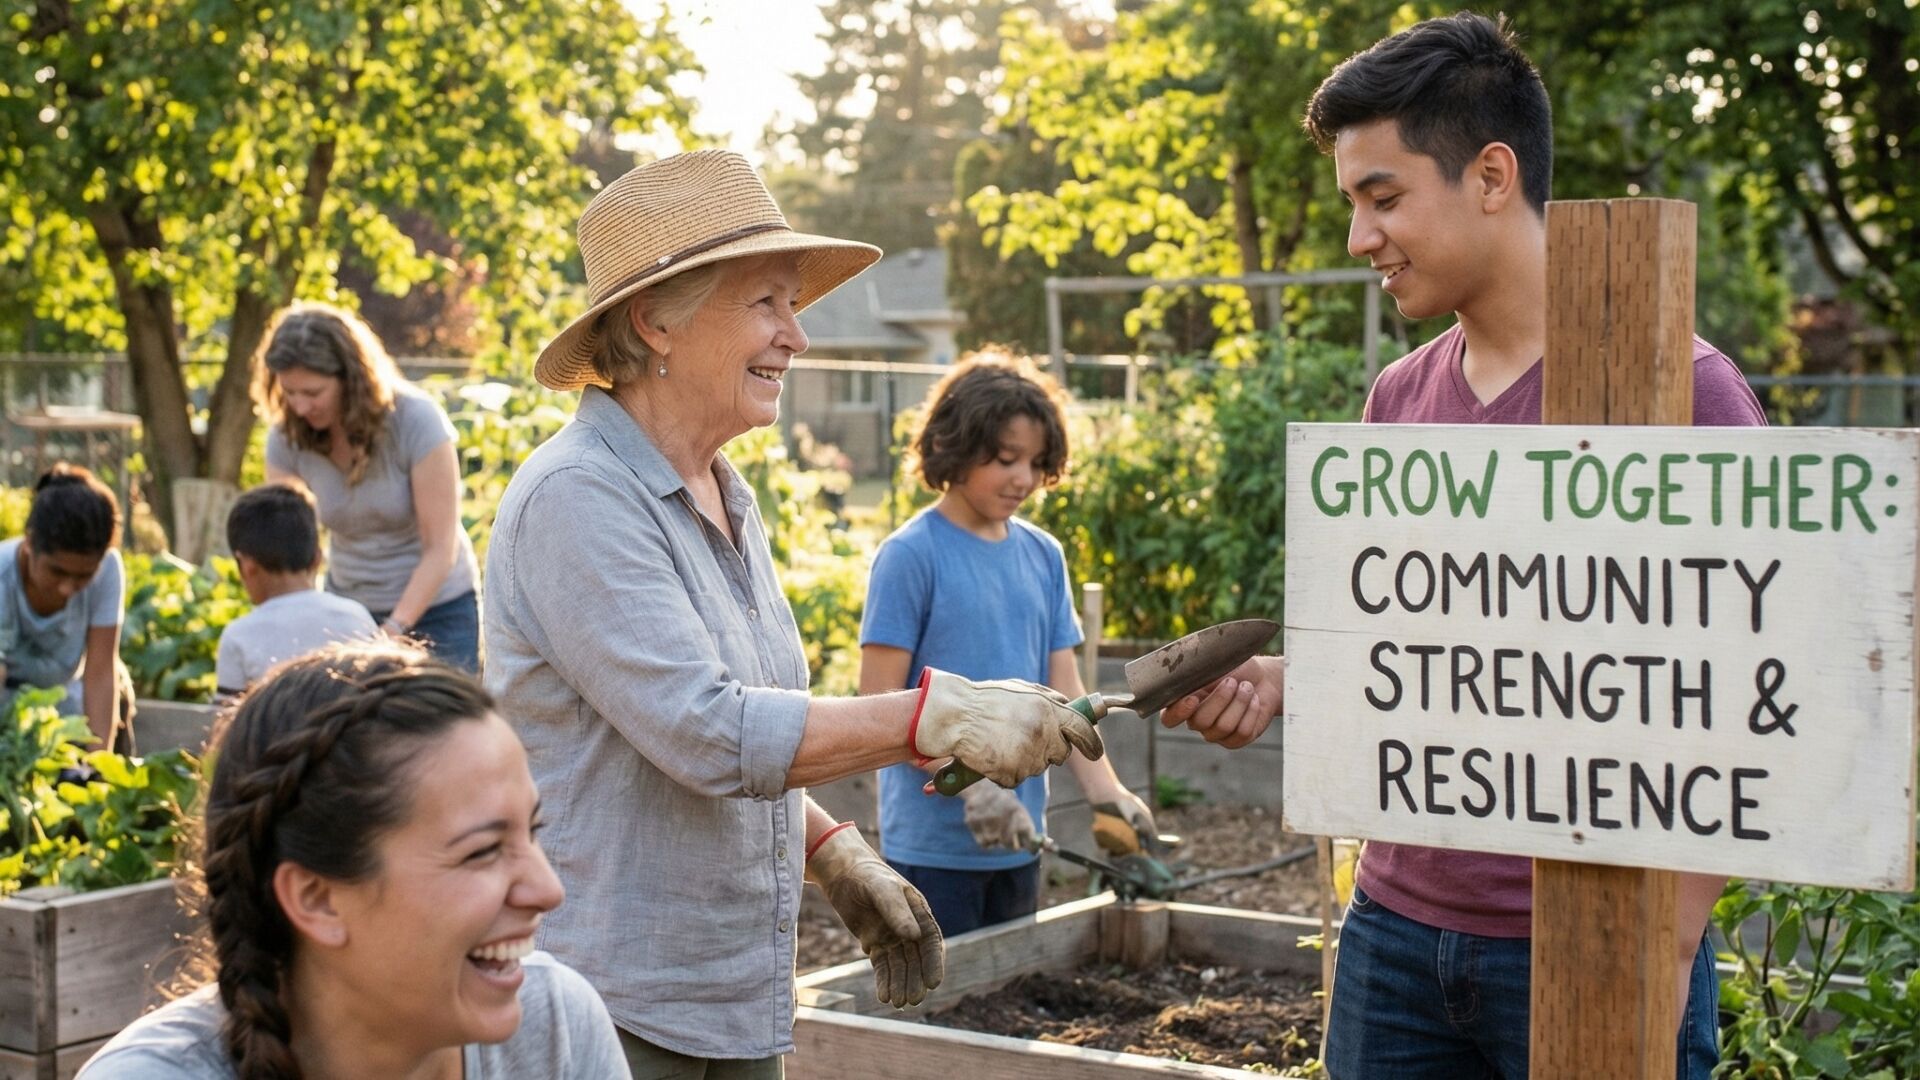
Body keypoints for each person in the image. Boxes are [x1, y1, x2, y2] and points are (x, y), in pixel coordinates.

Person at [1163, 14, 1766, 1079]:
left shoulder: (1684, 393)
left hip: (1591, 938)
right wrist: (1288, 679)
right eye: (1354, 204)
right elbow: (1429, 650)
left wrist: (1668, 941)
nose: (1360, 238)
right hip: (1394, 934)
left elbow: (1744, 692)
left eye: (1384, 198)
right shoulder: (1398, 398)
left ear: (1491, 176)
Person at [485, 149, 1105, 1078]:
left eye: (793, 304)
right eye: (767, 303)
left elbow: (741, 722)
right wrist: (943, 715)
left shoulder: (723, 495)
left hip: (733, 989)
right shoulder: (577, 499)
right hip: (617, 1001)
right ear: (656, 320)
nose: (798, 336)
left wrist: (828, 847)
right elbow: (704, 729)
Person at [78, 641, 628, 1079]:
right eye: (483, 851)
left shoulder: (556, 1028)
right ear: (317, 899)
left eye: (533, 832)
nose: (548, 890)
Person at [859, 354, 1158, 936]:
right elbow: (876, 706)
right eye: (1005, 459)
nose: (1024, 478)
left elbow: (1066, 698)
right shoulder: (910, 557)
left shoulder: (1043, 556)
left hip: (1021, 833)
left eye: (1036, 462)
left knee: (1013, 978)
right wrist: (971, 788)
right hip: (932, 848)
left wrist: (1107, 793)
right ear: (952, 446)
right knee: (943, 989)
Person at [256, 302, 480, 671]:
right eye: (290, 392)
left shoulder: (416, 420)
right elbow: (289, 544)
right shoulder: (286, 438)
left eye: (313, 392)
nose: (300, 406)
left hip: (439, 610)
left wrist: (392, 631)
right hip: (349, 610)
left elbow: (441, 548)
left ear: (351, 380)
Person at [0, 463, 130, 748]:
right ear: (29, 542)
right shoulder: (3, 574)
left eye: (83, 576)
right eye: (57, 571)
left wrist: (98, 762)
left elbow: (101, 671)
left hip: (69, 706)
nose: (67, 588)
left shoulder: (108, 569)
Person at [214, 482, 378, 696]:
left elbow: (225, 714)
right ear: (317, 558)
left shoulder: (239, 635)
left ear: (246, 566)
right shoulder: (355, 617)